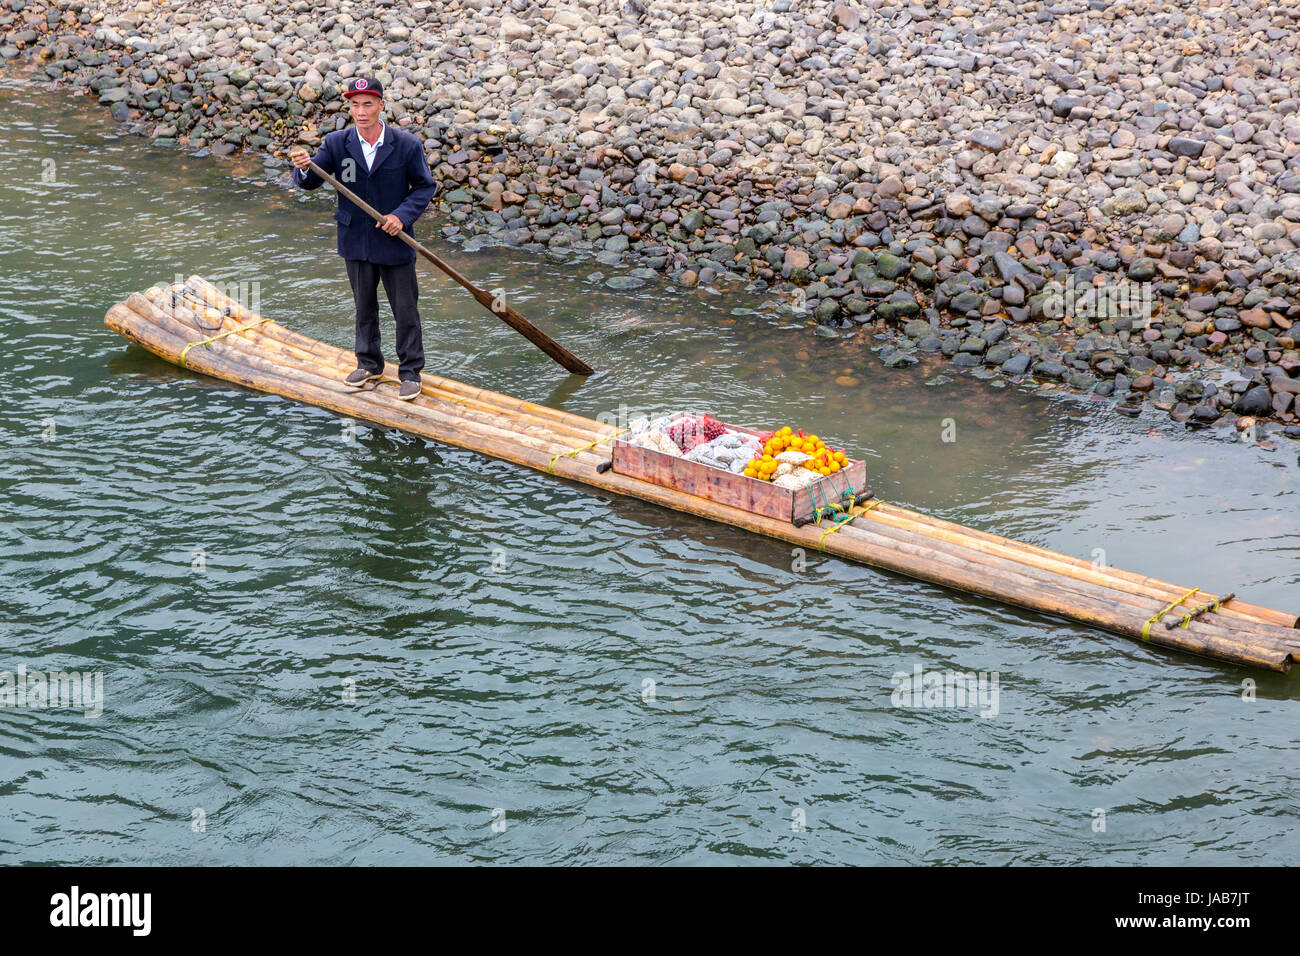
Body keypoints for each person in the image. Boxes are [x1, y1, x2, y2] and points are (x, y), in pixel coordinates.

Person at [289, 77, 438, 401]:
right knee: (364, 308)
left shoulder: (406, 144)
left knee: (406, 310)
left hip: (395, 240)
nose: (361, 111)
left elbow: (425, 187)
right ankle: (369, 364)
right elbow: (311, 182)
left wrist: (401, 215)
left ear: (381, 105)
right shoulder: (337, 143)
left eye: (368, 103)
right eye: (355, 104)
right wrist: (303, 168)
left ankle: (410, 372)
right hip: (355, 240)